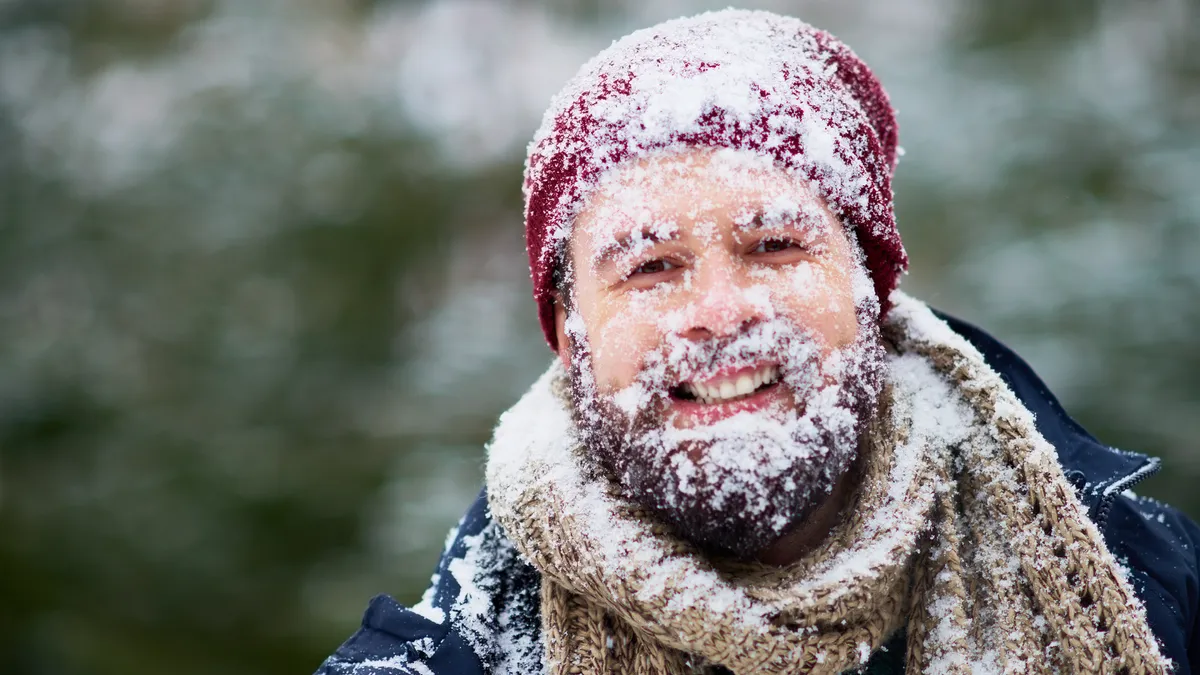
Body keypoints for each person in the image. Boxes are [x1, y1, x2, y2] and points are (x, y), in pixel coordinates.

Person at [315, 9, 1199, 674]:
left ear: (869, 289)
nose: (721, 309)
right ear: (569, 334)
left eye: (774, 246)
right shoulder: (447, 655)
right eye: (650, 267)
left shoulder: (1157, 586)